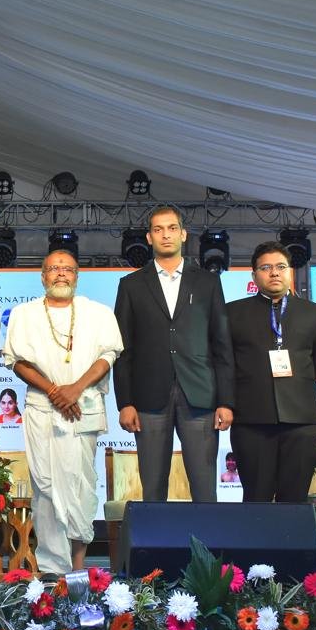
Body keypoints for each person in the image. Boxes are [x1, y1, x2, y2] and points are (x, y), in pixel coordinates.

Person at [3, 250, 122, 574]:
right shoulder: (24, 314)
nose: (60, 274)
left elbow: (108, 355)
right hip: (42, 408)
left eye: (67, 269)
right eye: (54, 268)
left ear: (76, 277)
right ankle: (52, 569)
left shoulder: (98, 313)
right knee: (45, 487)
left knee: (81, 485)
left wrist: (75, 389)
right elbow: (16, 361)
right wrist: (55, 391)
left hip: (83, 408)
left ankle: (78, 569)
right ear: (43, 276)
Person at [114, 205, 233, 503]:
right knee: (153, 488)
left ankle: (206, 537)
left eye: (171, 228)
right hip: (148, 397)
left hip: (200, 394)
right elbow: (123, 350)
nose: (165, 235)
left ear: (183, 234)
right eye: (158, 229)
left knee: (204, 488)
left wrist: (226, 401)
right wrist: (125, 402)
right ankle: (157, 538)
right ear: (149, 237)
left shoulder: (207, 281)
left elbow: (221, 344)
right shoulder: (131, 285)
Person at [225, 242, 316, 503]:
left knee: (294, 500)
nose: (274, 272)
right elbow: (225, 364)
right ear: (254, 276)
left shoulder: (315, 313)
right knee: (256, 499)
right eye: (266, 268)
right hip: (251, 420)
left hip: (301, 420)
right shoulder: (232, 313)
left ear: (290, 271)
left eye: (281, 267)